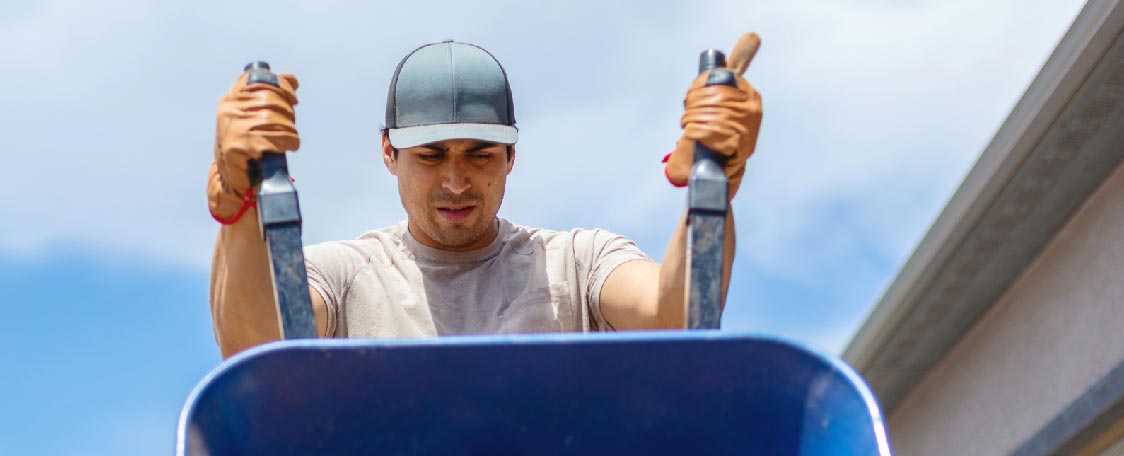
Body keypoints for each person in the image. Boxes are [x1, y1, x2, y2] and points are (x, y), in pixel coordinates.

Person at [207, 37, 762, 358]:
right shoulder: (348, 277)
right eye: (430, 155)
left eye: (479, 154)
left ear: (510, 158)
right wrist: (240, 197)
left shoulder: (575, 264)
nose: (455, 181)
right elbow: (259, 350)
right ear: (388, 154)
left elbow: (678, 318)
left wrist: (712, 184)